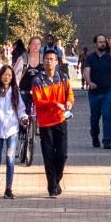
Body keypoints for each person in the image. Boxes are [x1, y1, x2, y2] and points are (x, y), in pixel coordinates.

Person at [31, 49, 74, 197]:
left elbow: (69, 94)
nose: (49, 61)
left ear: (57, 62)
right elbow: (38, 101)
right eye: (47, 59)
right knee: (48, 155)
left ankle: (56, 179)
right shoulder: (37, 80)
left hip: (60, 120)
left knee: (62, 154)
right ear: (43, 62)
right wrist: (55, 103)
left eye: (52, 59)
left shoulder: (62, 78)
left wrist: (68, 102)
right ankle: (52, 186)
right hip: (45, 123)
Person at [0, 63, 24, 199]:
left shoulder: (15, 91)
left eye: (9, 75)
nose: (7, 77)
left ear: (12, 77)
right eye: (4, 74)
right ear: (0, 76)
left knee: (10, 159)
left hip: (12, 131)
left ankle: (8, 188)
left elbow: (21, 109)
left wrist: (23, 118)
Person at [82, 35, 111, 150]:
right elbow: (86, 71)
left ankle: (107, 141)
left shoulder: (110, 58)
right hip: (94, 93)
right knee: (95, 117)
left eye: (104, 42)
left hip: (107, 91)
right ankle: (94, 135)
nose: (102, 44)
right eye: (100, 42)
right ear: (95, 44)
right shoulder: (90, 58)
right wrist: (89, 82)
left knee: (107, 116)